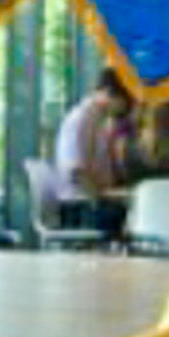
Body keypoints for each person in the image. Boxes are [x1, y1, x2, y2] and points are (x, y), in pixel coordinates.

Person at [54, 67, 133, 236]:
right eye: (125, 101)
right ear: (109, 93)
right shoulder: (81, 119)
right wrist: (100, 200)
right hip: (81, 207)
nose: (126, 109)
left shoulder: (99, 121)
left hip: (91, 201)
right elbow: (76, 172)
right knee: (129, 222)